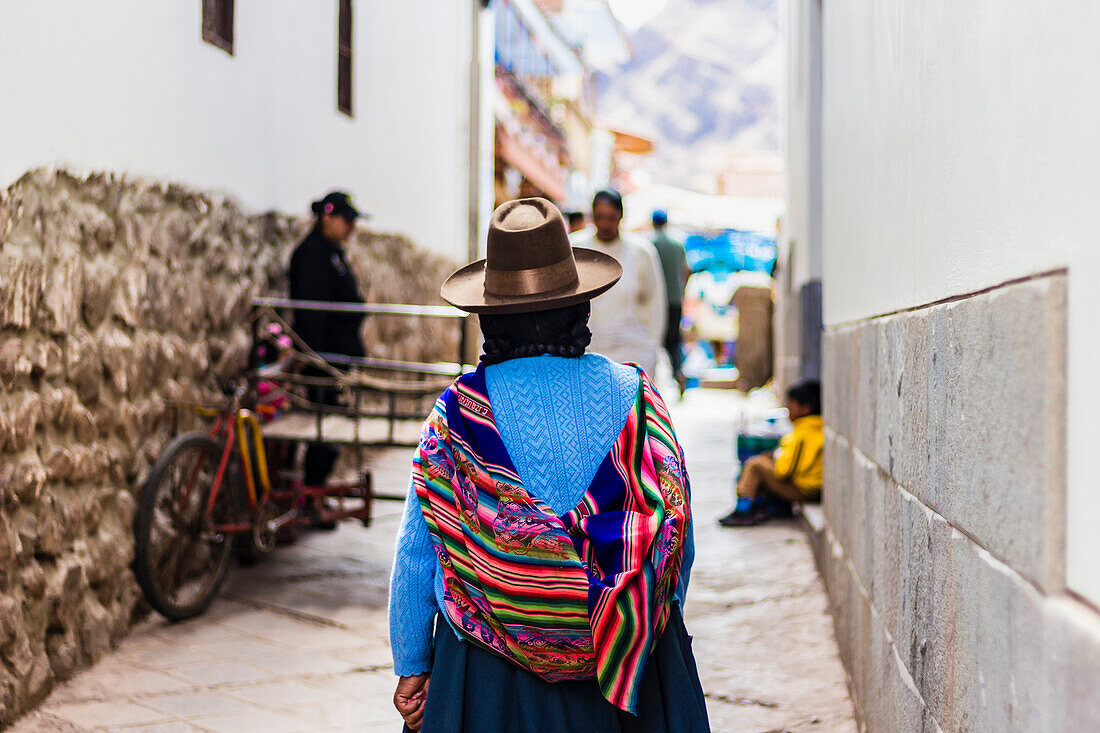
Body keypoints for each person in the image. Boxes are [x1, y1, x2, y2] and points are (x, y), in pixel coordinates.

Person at [388, 198, 707, 732]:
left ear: (490, 318)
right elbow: (678, 534)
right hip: (624, 673)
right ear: (579, 306)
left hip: (491, 679)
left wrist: (412, 662)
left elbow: (418, 549)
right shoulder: (637, 398)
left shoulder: (459, 413)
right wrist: (647, 630)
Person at [287, 192, 365, 519]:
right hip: (323, 359)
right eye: (345, 220)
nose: (350, 226)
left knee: (329, 425)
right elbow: (312, 313)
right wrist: (318, 358)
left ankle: (314, 493)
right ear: (327, 217)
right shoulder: (312, 255)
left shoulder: (332, 252)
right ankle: (311, 496)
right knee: (324, 425)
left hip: (335, 356)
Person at [570, 189, 667, 376]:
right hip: (586, 351)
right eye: (599, 217)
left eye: (611, 217)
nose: (605, 223)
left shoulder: (642, 251)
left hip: (633, 350)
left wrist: (653, 345)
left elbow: (655, 303)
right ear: (592, 216)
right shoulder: (575, 247)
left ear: (621, 216)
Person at [719, 379, 823, 527]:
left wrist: (776, 457)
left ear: (805, 409)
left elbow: (783, 471)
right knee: (764, 460)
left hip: (804, 491)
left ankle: (743, 509)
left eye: (792, 404)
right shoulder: (818, 427)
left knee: (755, 464)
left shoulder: (800, 434)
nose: (788, 408)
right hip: (813, 488)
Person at [650, 209, 690, 393]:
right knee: (674, 340)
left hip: (655, 300)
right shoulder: (677, 244)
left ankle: (650, 380)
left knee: (654, 339)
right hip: (675, 299)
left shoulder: (650, 244)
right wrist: (681, 291)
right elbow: (686, 271)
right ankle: (678, 373)